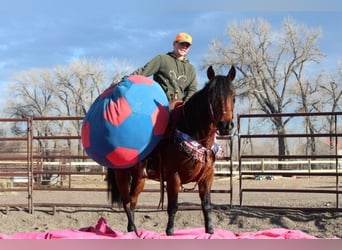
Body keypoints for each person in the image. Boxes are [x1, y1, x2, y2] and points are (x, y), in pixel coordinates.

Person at [131, 32, 198, 103]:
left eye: (187, 46)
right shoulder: (162, 59)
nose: (184, 47)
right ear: (174, 44)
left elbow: (192, 89)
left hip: (179, 107)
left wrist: (186, 105)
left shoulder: (191, 68)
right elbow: (143, 71)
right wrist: (125, 79)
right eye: (182, 44)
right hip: (159, 104)